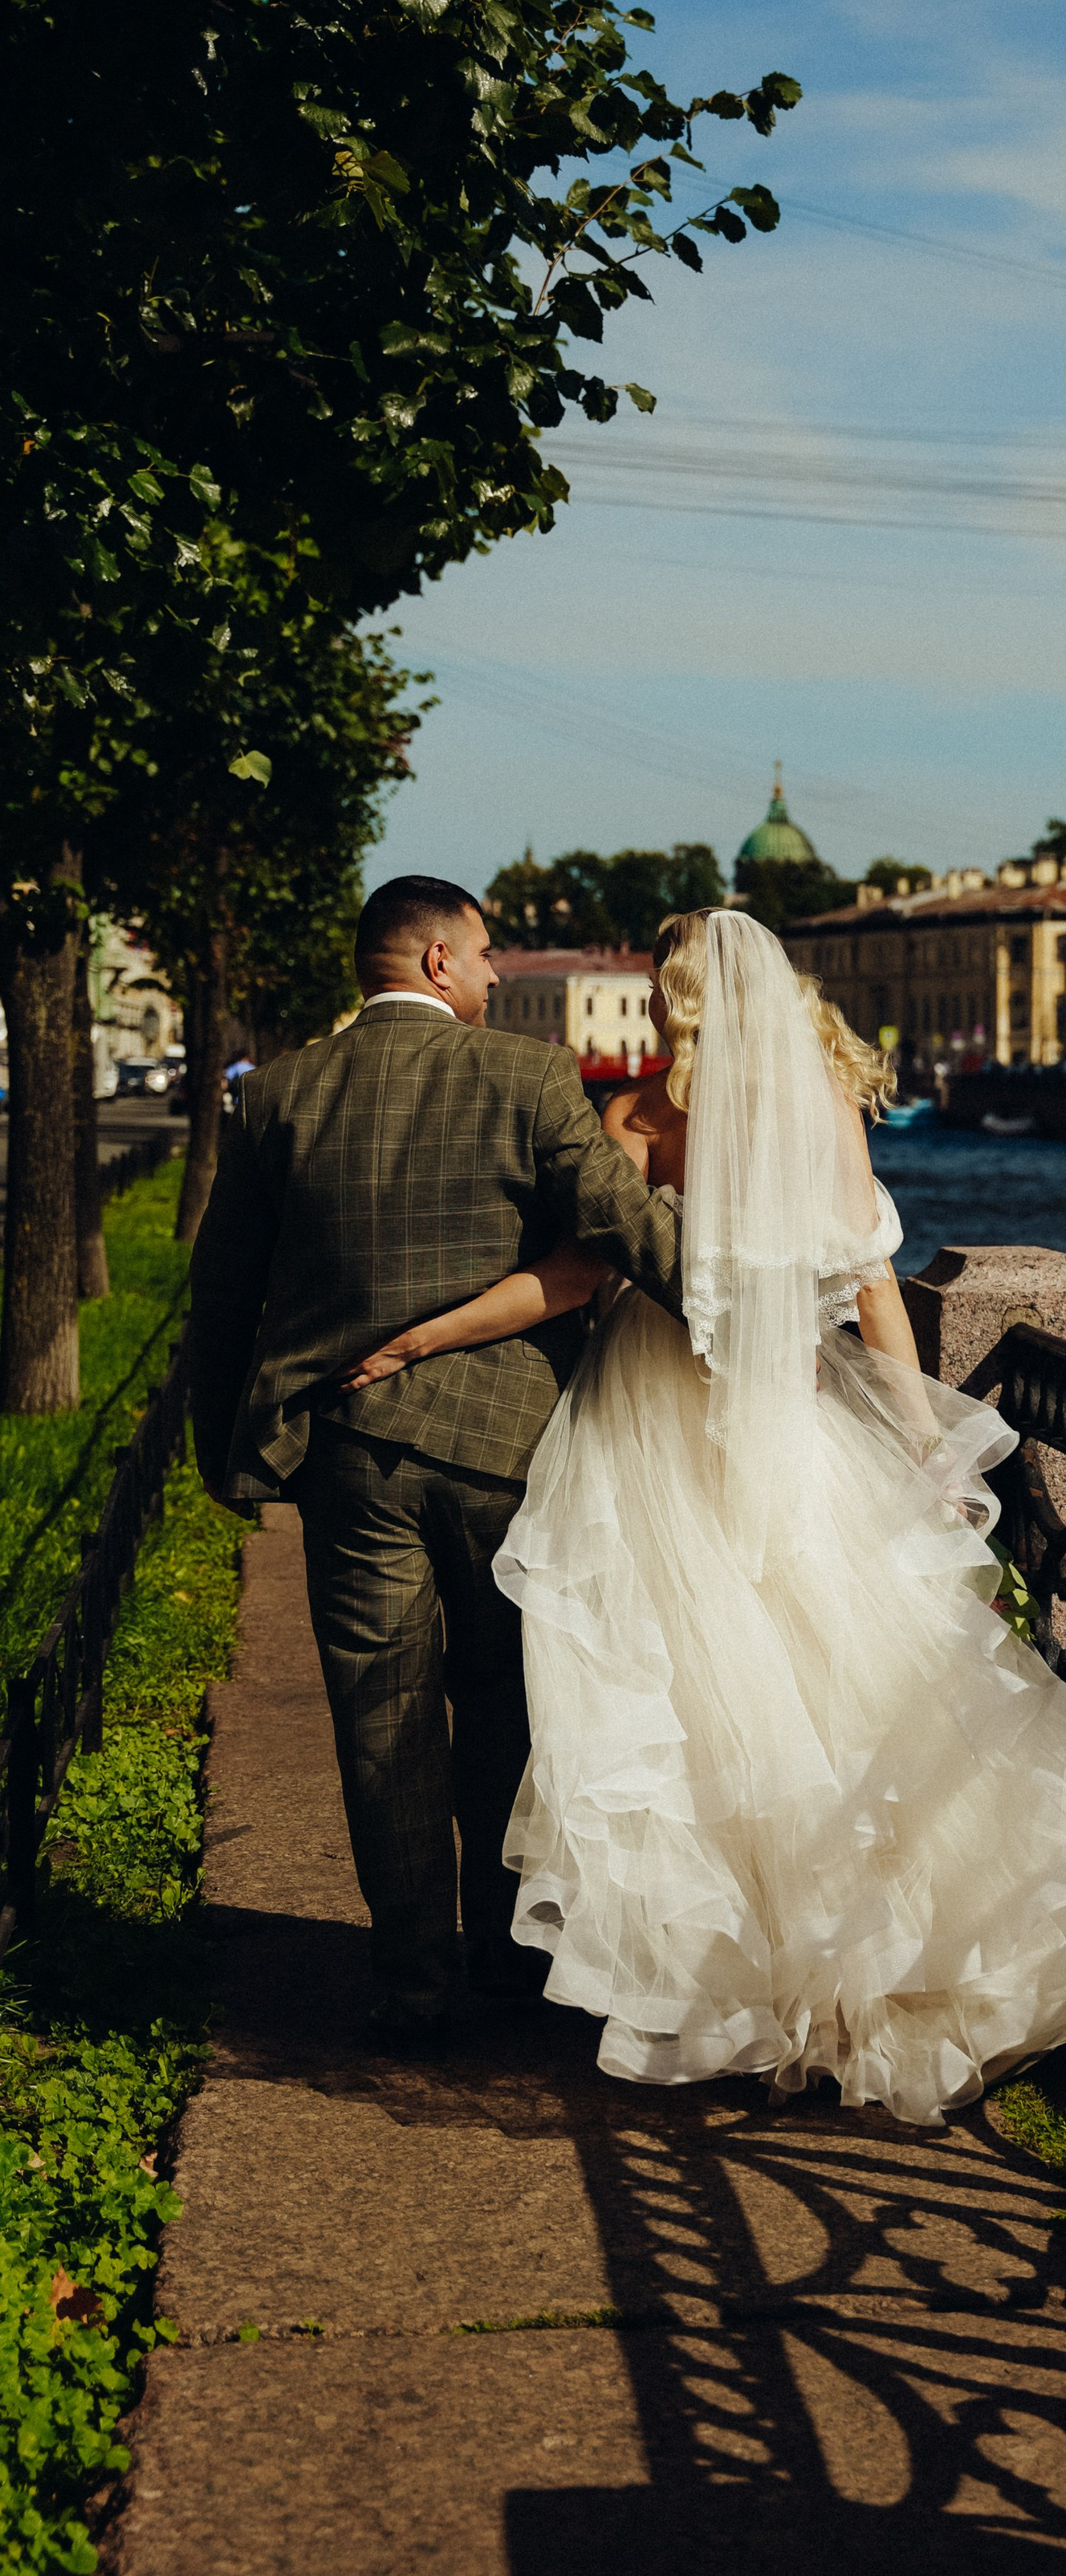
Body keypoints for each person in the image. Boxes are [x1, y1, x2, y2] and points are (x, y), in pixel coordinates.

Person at [339, 906, 1066, 2122]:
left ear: (682, 1001)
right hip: (791, 1420)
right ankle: (856, 1970)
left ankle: (710, 1979)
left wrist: (429, 1333)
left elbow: (573, 1277)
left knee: (672, 1699)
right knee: (833, 1682)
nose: (657, 1006)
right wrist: (925, 1447)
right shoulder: (824, 1107)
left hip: (654, 1415)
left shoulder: (645, 1116)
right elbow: (874, 1290)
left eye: (663, 991)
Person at [189, 875, 684, 2053]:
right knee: (510, 1702)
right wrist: (761, 1300)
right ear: (436, 959)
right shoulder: (525, 1077)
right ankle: (510, 1962)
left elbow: (223, 1294)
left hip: (348, 1456)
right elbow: (624, 1228)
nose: (499, 974)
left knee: (381, 1716)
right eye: (486, 953)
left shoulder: (281, 1095)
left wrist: (226, 1454)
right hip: (509, 1449)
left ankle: (412, 1983)